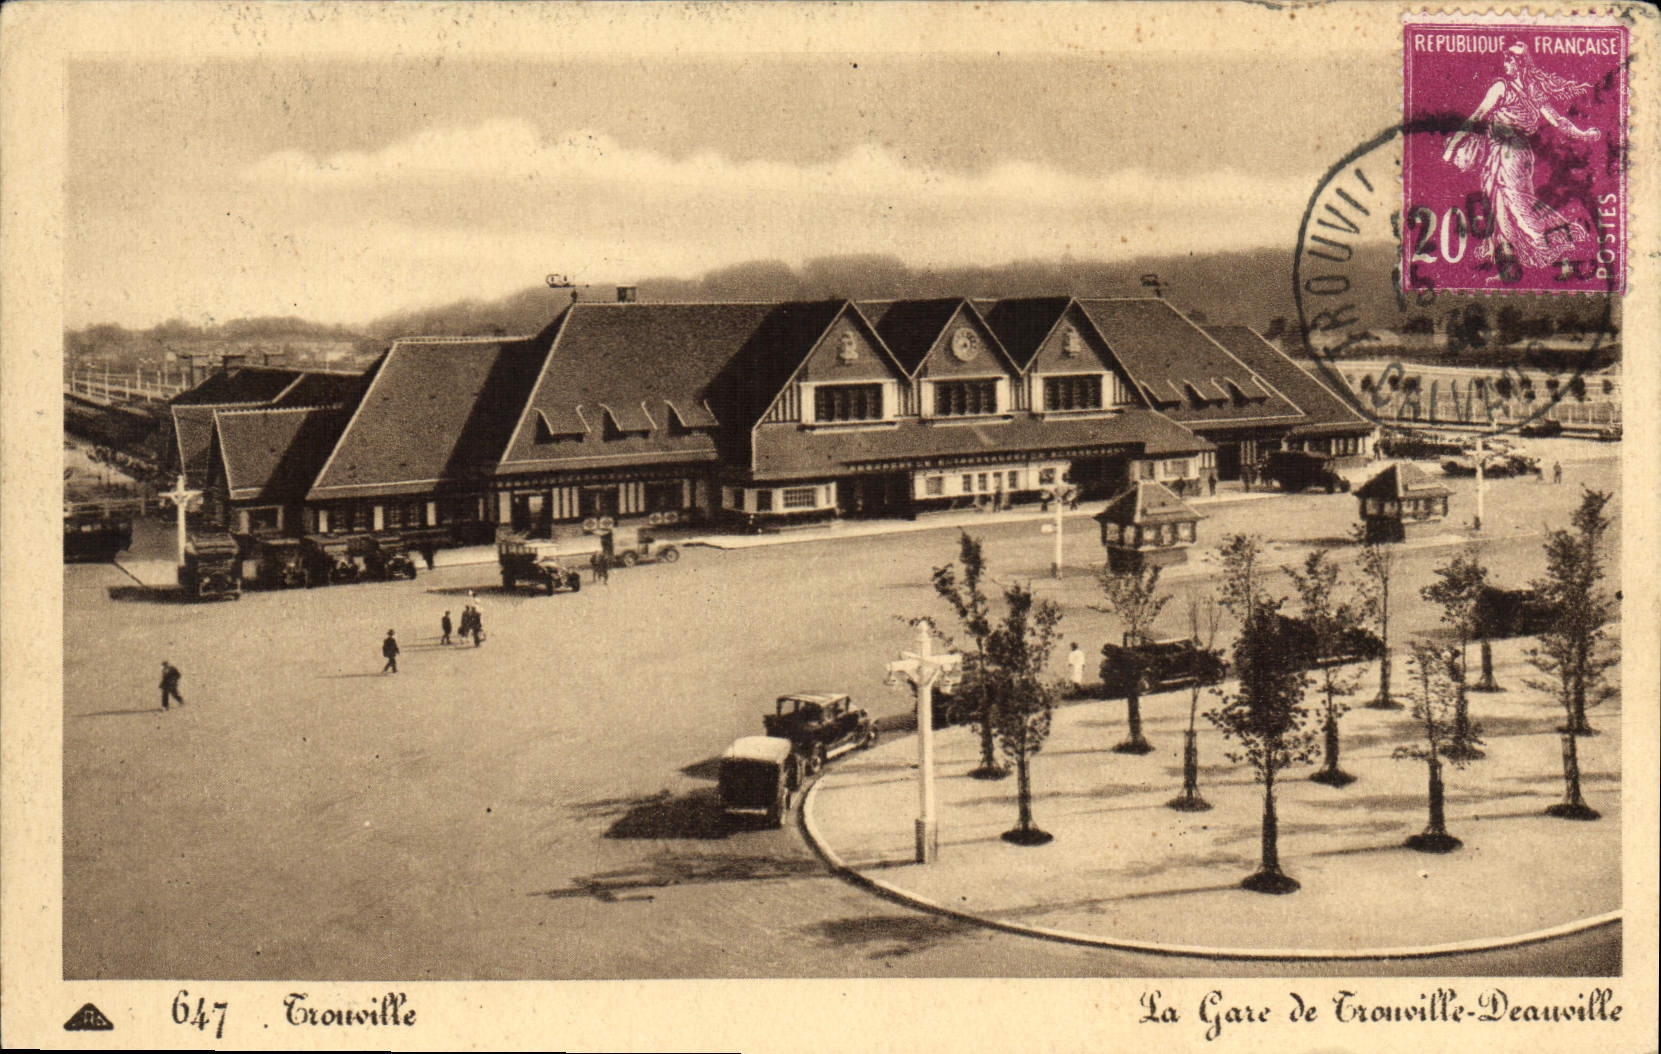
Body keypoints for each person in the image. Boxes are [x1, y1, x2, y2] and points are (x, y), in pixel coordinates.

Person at [1442, 43, 1601, 276]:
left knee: (1517, 203)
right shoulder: (1528, 89)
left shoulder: (1503, 87)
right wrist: (1583, 134)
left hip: (1510, 154)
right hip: (1513, 153)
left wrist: (1451, 149)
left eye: (1509, 61)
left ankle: (1546, 242)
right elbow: (1558, 121)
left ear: (1520, 64)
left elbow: (1477, 117)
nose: (1505, 64)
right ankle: (1509, 261)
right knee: (1500, 205)